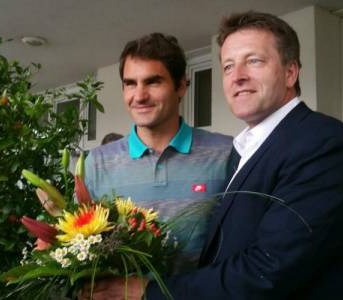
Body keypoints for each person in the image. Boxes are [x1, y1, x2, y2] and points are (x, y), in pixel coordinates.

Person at [86, 11, 343, 300]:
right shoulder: (249, 148)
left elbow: (268, 270)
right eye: (228, 66)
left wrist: (148, 292)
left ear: (290, 72)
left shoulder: (320, 143)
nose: (238, 77)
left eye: (254, 61)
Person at [84, 33, 233, 275]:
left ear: (181, 86)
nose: (140, 96)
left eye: (153, 82)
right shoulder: (97, 163)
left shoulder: (226, 153)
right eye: (130, 83)